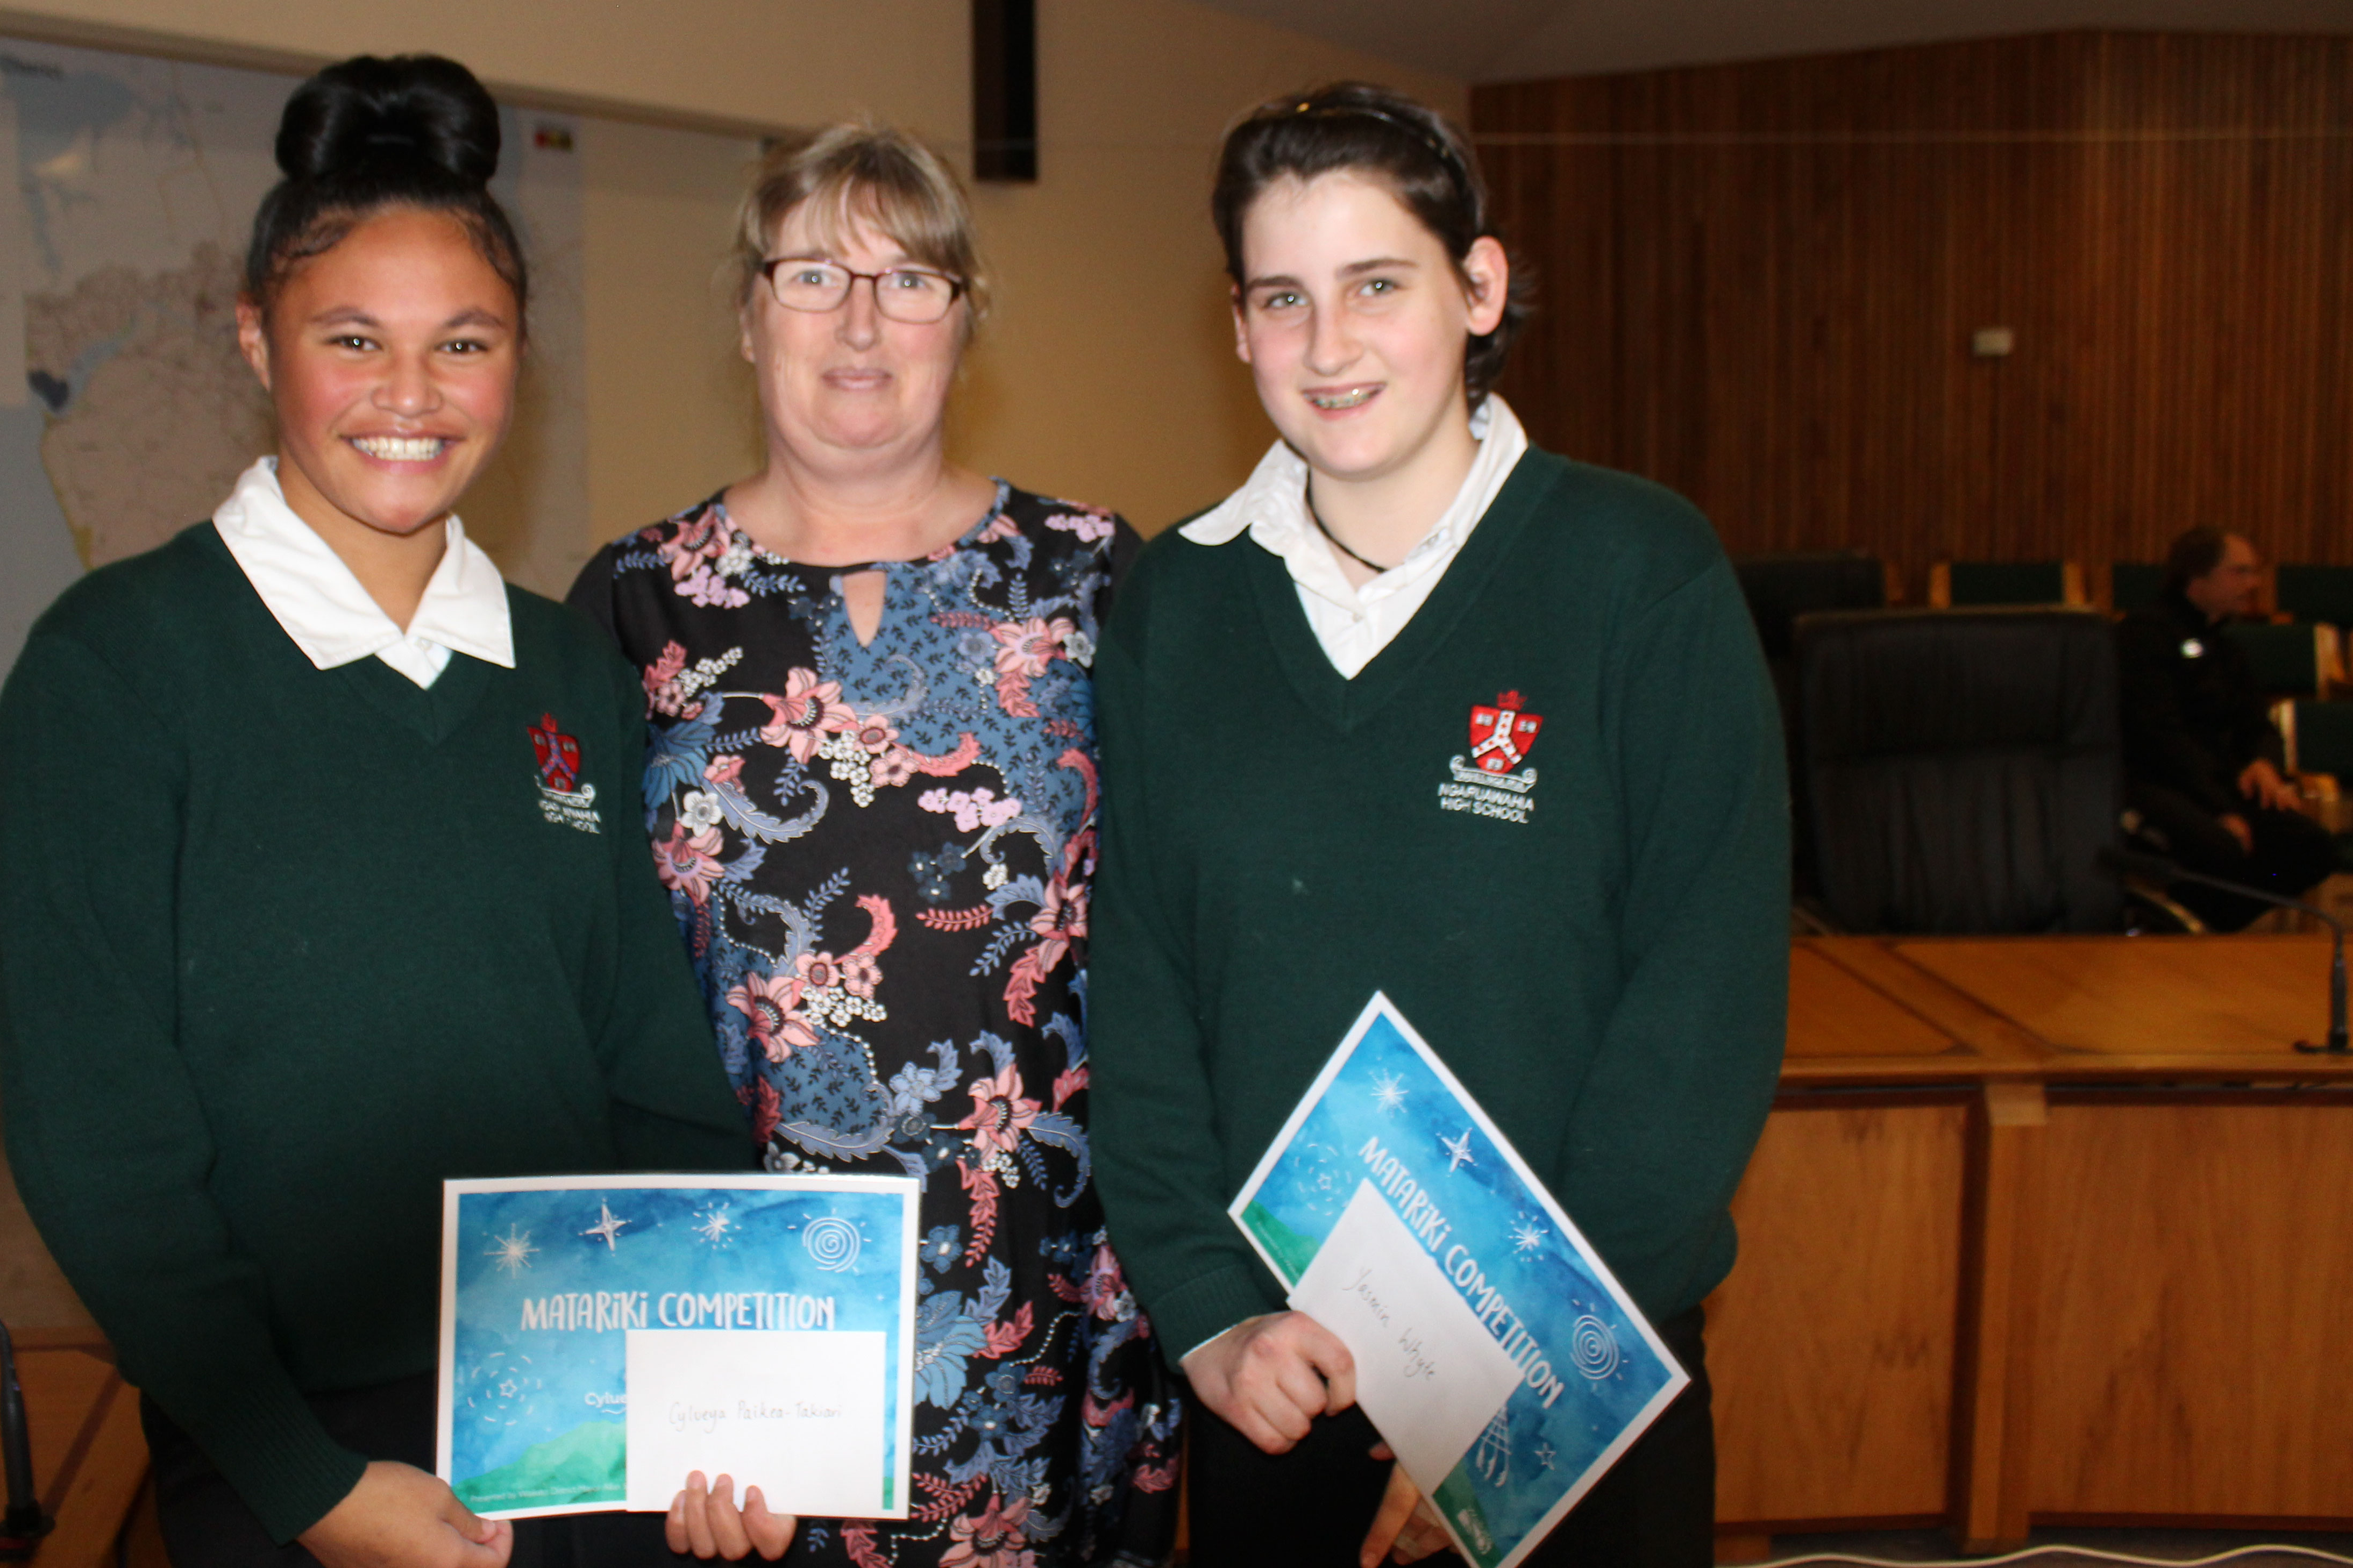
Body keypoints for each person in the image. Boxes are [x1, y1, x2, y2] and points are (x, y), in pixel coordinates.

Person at [0, 55, 748, 1568]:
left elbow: (651, 1058)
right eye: (354, 340)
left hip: (590, 1392)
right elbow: (99, 1138)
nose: (411, 395)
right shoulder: (114, 669)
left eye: (462, 342)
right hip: (281, 1437)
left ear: (520, 358)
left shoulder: (565, 667)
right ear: (258, 344)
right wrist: (310, 1479)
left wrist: (711, 1376)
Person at [1086, 84, 1790, 1568]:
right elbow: (1140, 996)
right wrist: (1207, 1309)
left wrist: (1509, 1397)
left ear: (1480, 286)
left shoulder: (1638, 576)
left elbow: (1701, 1009)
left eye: (1376, 285)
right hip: (1277, 1386)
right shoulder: (1177, 608)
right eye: (1284, 297)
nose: (1328, 346)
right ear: (1236, 325)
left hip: (1579, 1405)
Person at [567, 122, 1181, 1568]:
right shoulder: (633, 604)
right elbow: (579, 993)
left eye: (910, 280)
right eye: (813, 276)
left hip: (1049, 1299)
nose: (860, 323)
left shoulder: (1098, 581)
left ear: (965, 323)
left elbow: (1194, 940)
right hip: (742, 1312)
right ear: (745, 312)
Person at [2117, 527, 2339, 929]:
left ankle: (2202, 917)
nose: (2253, 584)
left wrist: (2263, 764)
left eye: (2254, 573)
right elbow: (2160, 737)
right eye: (2240, 572)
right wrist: (2219, 809)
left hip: (2221, 783)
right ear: (2197, 577)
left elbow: (2258, 723)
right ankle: (2180, 919)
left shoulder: (2225, 647)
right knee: (2221, 847)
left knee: (2311, 847)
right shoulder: (2144, 636)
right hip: (2159, 783)